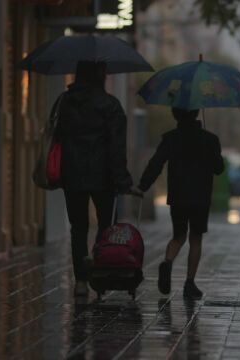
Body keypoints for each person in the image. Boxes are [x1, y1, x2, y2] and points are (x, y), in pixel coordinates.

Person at [56, 61, 136, 296]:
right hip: (103, 177)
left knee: (78, 227)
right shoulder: (110, 105)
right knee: (106, 226)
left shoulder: (65, 102)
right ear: (101, 76)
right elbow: (116, 147)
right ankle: (99, 269)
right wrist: (123, 181)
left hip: (72, 173)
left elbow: (57, 135)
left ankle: (80, 281)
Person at [134, 107, 225, 299]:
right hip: (200, 197)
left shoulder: (171, 138)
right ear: (196, 113)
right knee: (196, 238)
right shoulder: (210, 139)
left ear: (176, 115)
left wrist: (143, 185)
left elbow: (156, 163)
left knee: (179, 236)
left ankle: (167, 262)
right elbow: (219, 169)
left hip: (178, 196)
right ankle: (189, 284)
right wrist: (213, 151)